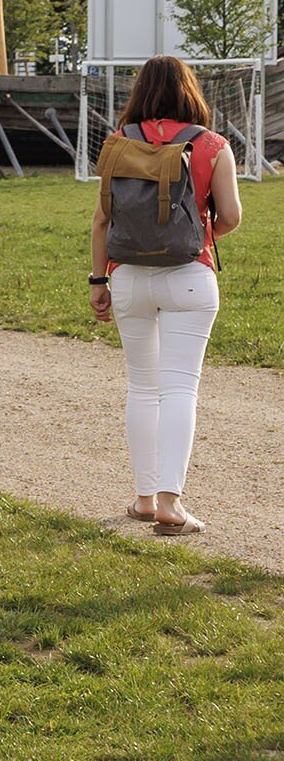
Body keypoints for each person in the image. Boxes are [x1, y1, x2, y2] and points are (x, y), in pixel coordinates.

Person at [89, 54, 243, 537]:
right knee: (180, 388)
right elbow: (232, 216)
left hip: (129, 277)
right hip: (188, 275)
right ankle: (171, 504)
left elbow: (101, 220)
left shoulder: (117, 144)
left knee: (142, 387)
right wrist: (200, 233)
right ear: (189, 91)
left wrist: (99, 281)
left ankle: (142, 497)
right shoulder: (212, 145)